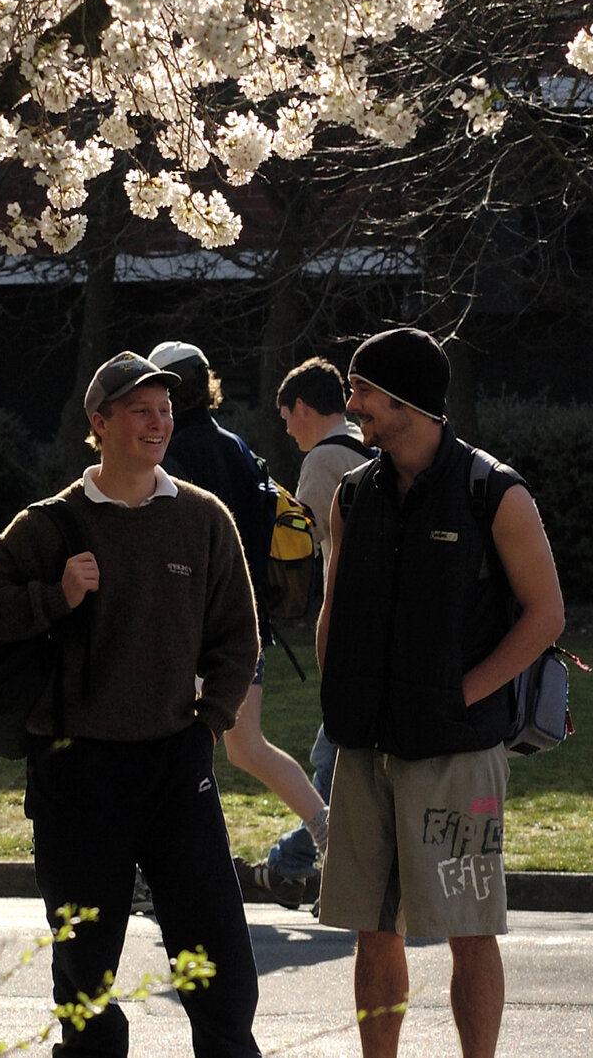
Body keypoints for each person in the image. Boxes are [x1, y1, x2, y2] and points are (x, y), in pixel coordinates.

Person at [0, 351, 263, 1058]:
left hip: (175, 760)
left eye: (165, 409)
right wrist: (54, 597)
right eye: (141, 410)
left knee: (217, 948)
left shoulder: (203, 517)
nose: (158, 422)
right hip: (76, 768)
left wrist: (212, 720)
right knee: (85, 964)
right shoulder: (48, 524)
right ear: (98, 423)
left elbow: (236, 634)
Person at [315, 327, 567, 1058]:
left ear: (408, 402)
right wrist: (338, 697)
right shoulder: (352, 494)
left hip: (458, 749)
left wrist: (464, 693)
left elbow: (546, 613)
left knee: (470, 925)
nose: (352, 403)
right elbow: (333, 606)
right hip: (364, 746)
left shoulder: (494, 491)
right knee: (373, 925)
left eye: (363, 390)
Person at [144, 340, 331, 905]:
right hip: (244, 627)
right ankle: (331, 835)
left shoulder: (167, 455)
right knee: (246, 747)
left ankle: (161, 876)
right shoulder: (239, 450)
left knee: (167, 749)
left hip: (187, 630)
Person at [254, 357, 373, 893]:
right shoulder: (370, 446)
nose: (286, 429)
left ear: (303, 407)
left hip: (352, 624)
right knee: (339, 751)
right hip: (381, 622)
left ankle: (294, 858)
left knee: (332, 755)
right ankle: (300, 857)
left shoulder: (326, 459)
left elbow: (297, 543)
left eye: (286, 417)